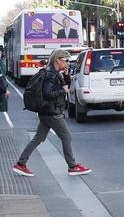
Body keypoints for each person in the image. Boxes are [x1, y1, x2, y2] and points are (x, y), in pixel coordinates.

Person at [13, 49, 91, 177]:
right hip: (52, 112)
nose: (67, 63)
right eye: (65, 61)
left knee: (38, 138)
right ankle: (72, 166)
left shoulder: (53, 73)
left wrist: (66, 76)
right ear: (57, 60)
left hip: (46, 111)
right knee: (66, 136)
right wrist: (62, 90)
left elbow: (66, 86)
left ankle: (21, 164)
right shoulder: (51, 75)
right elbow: (49, 93)